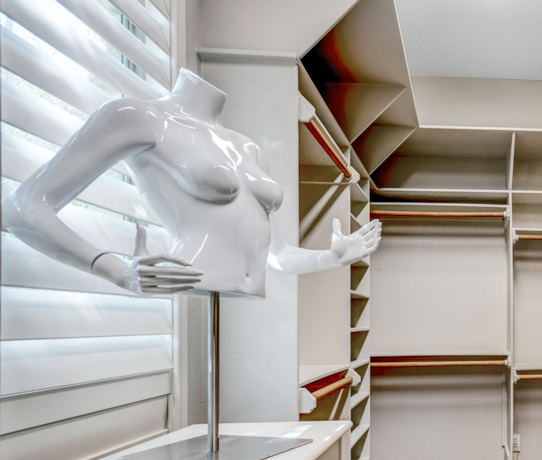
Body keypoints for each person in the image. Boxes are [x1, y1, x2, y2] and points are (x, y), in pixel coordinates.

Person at [1, 68, 381, 296]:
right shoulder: (137, 116)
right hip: (193, 276)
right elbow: (22, 207)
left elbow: (276, 255)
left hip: (247, 290)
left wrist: (328, 258)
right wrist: (116, 270)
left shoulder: (246, 146)